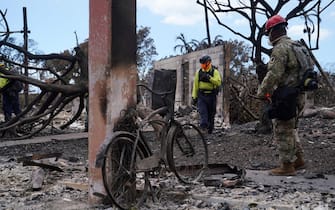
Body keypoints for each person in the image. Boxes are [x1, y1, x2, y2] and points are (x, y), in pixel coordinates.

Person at [257, 14, 307, 176]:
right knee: (292, 128)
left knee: (282, 129)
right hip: (300, 95)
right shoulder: (297, 46)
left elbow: (273, 75)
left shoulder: (280, 49)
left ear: (274, 31)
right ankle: (298, 159)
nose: (268, 37)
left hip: (287, 95)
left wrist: (262, 92)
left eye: (268, 33)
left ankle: (287, 166)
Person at [192, 55, 222, 134]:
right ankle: (203, 127)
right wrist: (194, 97)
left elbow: (218, 82)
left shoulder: (214, 72)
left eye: (204, 64)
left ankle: (210, 130)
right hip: (202, 96)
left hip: (211, 96)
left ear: (209, 63)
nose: (203, 65)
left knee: (211, 114)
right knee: (203, 112)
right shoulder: (199, 72)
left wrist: (209, 78)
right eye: (202, 64)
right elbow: (195, 85)